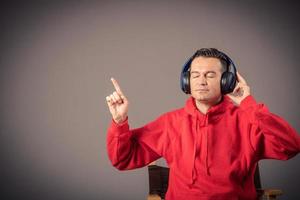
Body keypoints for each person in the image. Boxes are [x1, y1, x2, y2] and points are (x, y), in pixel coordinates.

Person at [105, 48, 300, 200]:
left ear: (226, 81)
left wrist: (249, 104)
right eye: (195, 75)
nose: (201, 81)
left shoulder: (248, 120)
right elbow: (123, 159)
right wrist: (119, 121)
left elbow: (291, 146)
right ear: (186, 81)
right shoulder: (170, 123)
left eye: (210, 75)